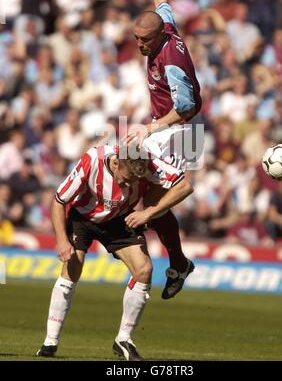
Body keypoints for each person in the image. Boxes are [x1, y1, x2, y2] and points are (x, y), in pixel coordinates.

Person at [37, 144, 193, 360]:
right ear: (116, 163)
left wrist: (149, 212)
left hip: (119, 219)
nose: (127, 185)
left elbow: (185, 186)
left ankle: (123, 340)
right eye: (125, 179)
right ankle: (50, 342)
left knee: (144, 270)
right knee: (73, 267)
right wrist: (62, 240)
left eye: (133, 182)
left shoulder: (149, 162)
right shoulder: (92, 160)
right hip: (83, 217)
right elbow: (58, 200)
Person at [126, 0, 202, 299]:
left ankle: (153, 250)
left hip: (180, 130)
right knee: (146, 197)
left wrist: (152, 126)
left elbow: (187, 107)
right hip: (162, 124)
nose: (139, 46)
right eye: (136, 39)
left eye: (144, 41)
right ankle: (177, 261)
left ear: (158, 36)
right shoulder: (166, 28)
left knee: (152, 203)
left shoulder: (170, 60)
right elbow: (163, 4)